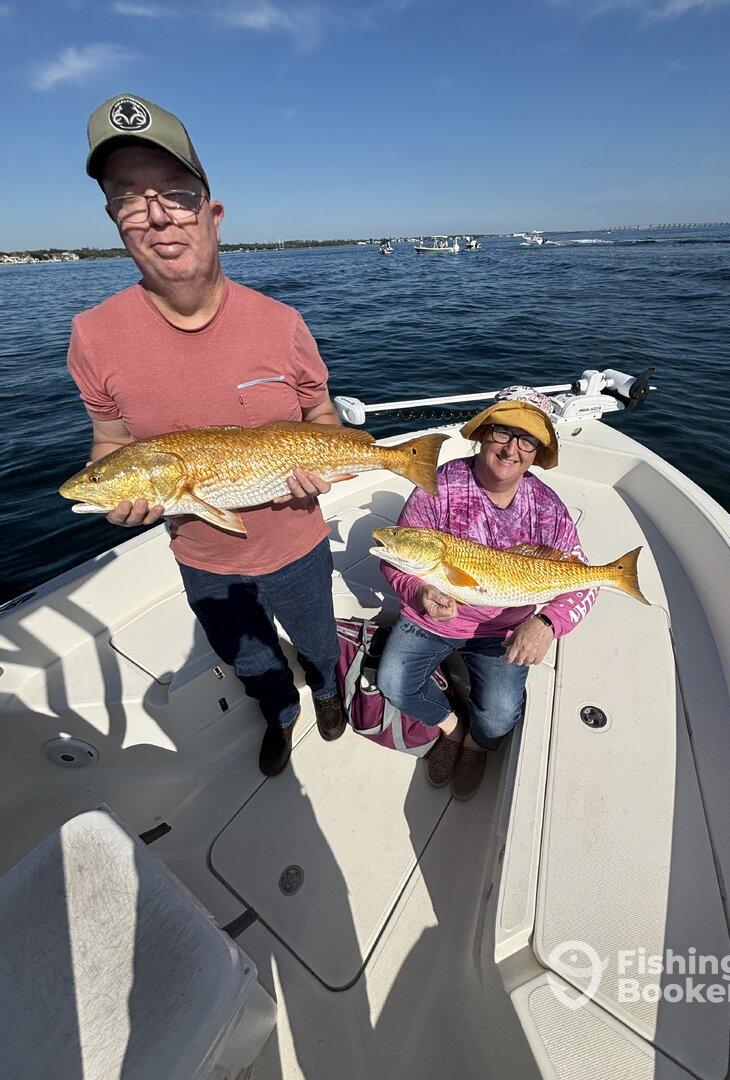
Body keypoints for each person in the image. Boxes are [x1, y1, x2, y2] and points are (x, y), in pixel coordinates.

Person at [66, 92, 346, 776]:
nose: (157, 213)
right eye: (128, 196)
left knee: (316, 635)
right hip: (201, 555)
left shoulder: (281, 322)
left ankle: (332, 691)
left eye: (175, 193)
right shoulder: (92, 336)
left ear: (211, 212)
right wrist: (112, 486)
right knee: (246, 655)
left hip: (297, 538)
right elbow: (108, 441)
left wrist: (326, 467)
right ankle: (279, 714)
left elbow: (322, 417)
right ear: (114, 220)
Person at [375, 387, 597, 800]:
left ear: (536, 452)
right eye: (502, 433)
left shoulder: (547, 508)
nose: (512, 448)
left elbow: (585, 580)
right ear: (482, 434)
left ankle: (477, 745)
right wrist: (420, 592)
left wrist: (548, 622)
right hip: (430, 619)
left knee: (496, 720)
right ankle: (454, 729)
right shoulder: (438, 486)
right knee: (392, 683)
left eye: (527, 439)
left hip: (503, 630)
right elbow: (394, 561)